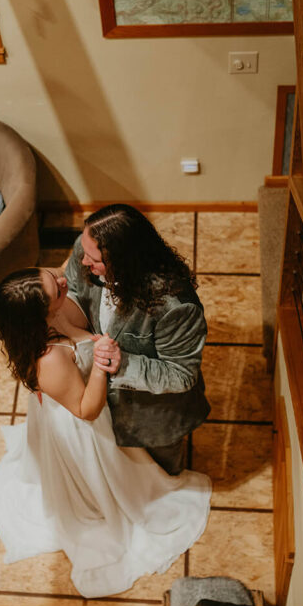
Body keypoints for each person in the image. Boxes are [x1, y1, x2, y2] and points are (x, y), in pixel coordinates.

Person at [0, 267, 211, 599]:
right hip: (81, 426)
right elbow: (86, 410)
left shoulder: (48, 318)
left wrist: (90, 340)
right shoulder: (49, 360)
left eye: (51, 275)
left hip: (73, 399)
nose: (63, 281)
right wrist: (103, 364)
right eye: (56, 290)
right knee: (109, 482)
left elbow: (76, 332)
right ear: (41, 312)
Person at [62, 204, 210, 476]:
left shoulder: (175, 306)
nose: (83, 262)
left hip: (153, 417)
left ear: (124, 261)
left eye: (93, 259)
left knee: (163, 473)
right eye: (84, 252)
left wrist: (122, 363)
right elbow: (73, 289)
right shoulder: (87, 249)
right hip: (101, 404)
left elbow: (181, 375)